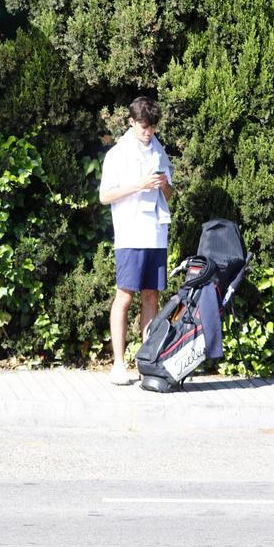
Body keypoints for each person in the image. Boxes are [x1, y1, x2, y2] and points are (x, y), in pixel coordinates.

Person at [98, 96, 175, 385]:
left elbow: (167, 196)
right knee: (125, 296)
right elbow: (105, 196)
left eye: (153, 127)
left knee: (151, 296)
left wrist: (164, 185)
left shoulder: (159, 151)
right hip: (130, 233)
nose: (148, 132)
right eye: (144, 127)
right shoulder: (118, 154)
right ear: (131, 122)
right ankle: (118, 363)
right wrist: (138, 185)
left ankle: (147, 362)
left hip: (156, 233)